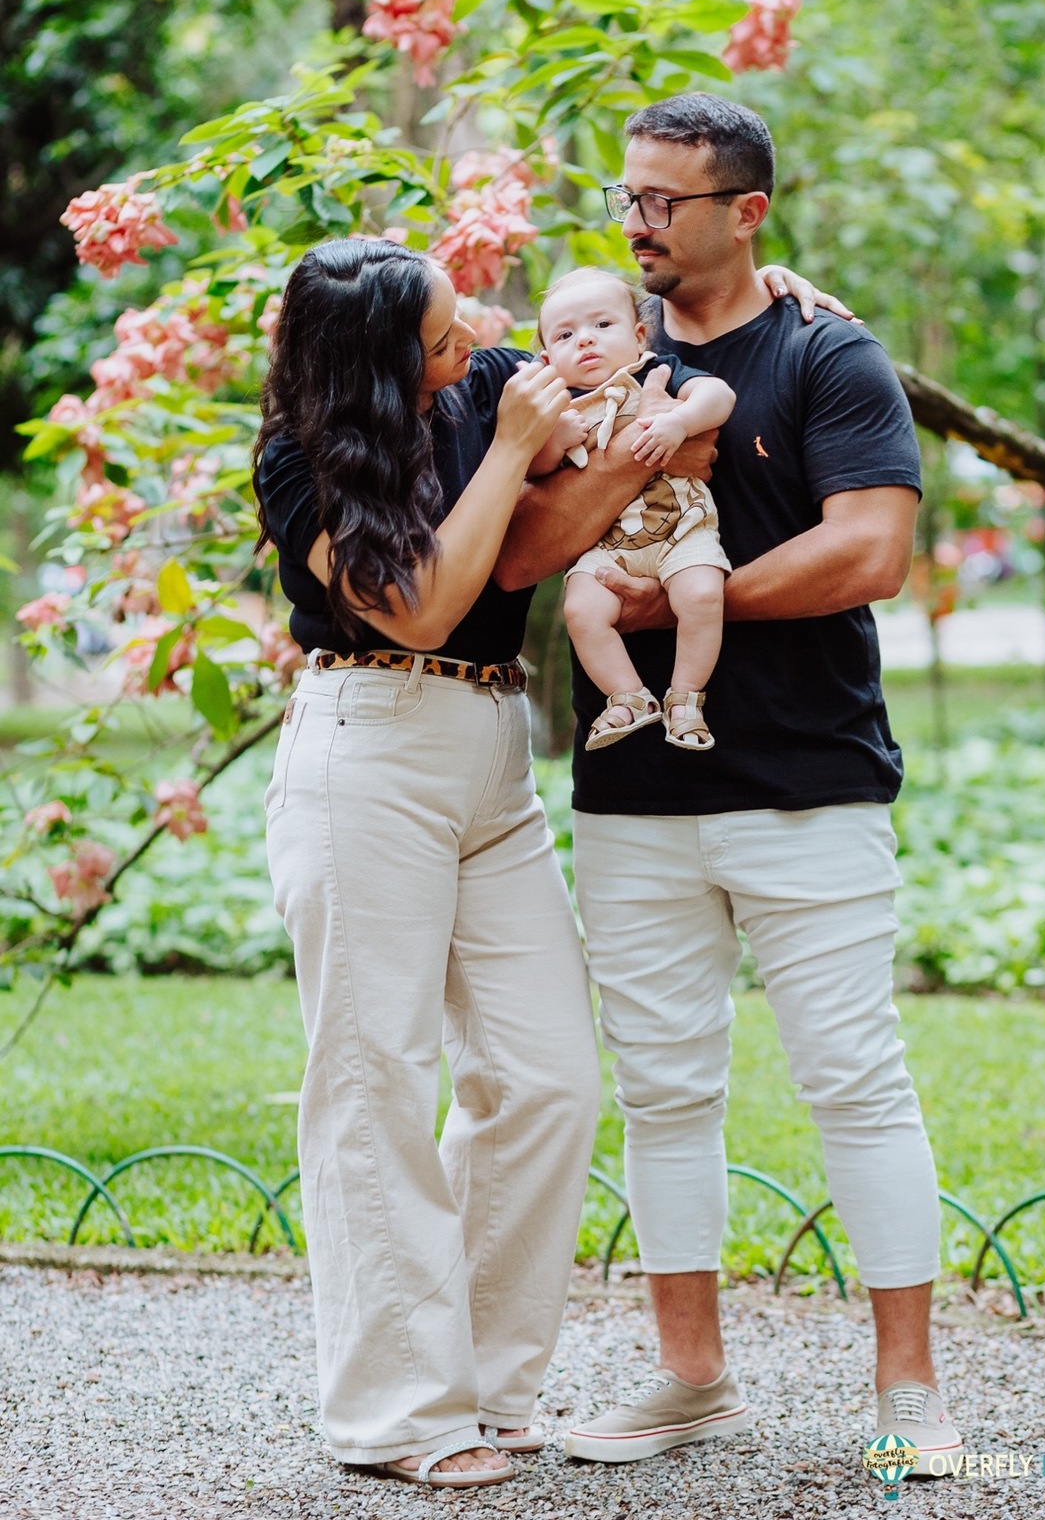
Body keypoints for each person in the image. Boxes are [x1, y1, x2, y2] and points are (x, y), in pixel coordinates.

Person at [495, 94, 965, 1479]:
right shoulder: (591, 357)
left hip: (811, 786)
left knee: (856, 1084)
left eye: (665, 202)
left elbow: (867, 553)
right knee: (662, 1092)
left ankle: (910, 1393)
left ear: (746, 212)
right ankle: (689, 1379)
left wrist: (673, 609)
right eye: (628, 196)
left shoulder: (831, 354)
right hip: (635, 802)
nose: (637, 220)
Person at [252, 237, 602, 1491]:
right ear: (373, 366)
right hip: (370, 749)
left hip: (492, 752)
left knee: (548, 1073)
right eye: (444, 342)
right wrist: (510, 447)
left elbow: (614, 368)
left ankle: (493, 1384)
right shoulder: (300, 463)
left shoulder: (477, 381)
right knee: (375, 1081)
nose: (472, 353)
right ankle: (399, 1413)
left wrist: (767, 307)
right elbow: (421, 606)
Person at [531, 267, 736, 752]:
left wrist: (681, 422)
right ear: (546, 358)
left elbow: (718, 395)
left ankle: (685, 698)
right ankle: (627, 697)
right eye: (565, 334)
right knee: (582, 609)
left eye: (602, 325)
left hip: (681, 531)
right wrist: (551, 443)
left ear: (639, 334)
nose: (585, 341)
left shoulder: (656, 372)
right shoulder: (555, 406)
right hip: (607, 546)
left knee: (703, 597)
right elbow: (536, 474)